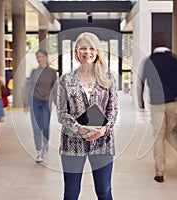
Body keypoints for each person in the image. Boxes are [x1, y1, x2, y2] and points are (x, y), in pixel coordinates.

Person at [56, 32, 118, 199]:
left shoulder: (108, 77)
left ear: (97, 51)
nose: (87, 52)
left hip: (103, 143)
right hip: (72, 143)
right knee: (71, 192)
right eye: (83, 48)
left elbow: (113, 110)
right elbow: (61, 113)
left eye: (91, 48)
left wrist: (103, 130)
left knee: (104, 191)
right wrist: (80, 128)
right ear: (77, 51)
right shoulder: (66, 80)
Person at [137, 32, 177, 183]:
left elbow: (142, 81)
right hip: (173, 103)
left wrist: (140, 100)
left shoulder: (148, 61)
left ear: (154, 43)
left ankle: (160, 172)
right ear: (166, 42)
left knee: (158, 137)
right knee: (170, 135)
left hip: (156, 104)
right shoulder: (175, 60)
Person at [25, 49, 57, 162]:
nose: (39, 59)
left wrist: (58, 103)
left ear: (46, 57)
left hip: (46, 102)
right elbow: (29, 87)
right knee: (36, 127)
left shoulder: (52, 72)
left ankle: (46, 142)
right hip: (35, 101)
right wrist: (27, 103)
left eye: (41, 57)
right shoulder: (34, 72)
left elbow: (55, 88)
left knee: (45, 125)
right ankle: (39, 151)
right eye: (37, 57)